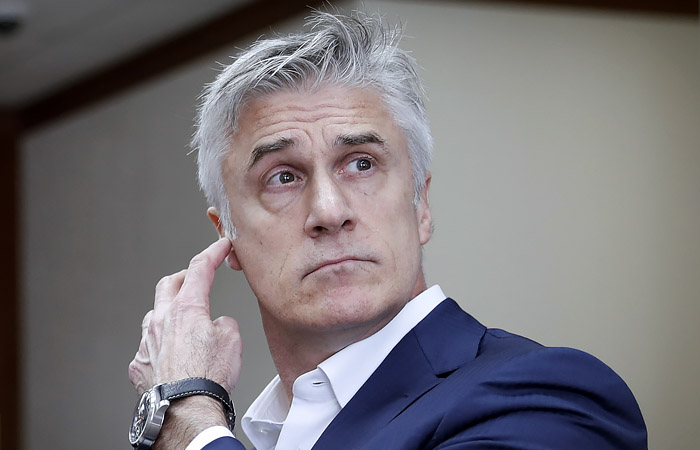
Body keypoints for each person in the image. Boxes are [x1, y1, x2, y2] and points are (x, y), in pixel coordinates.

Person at [127, 10, 647, 450]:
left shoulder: (545, 397)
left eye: (361, 164)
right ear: (228, 236)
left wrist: (188, 420)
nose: (329, 210)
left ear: (421, 204)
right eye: (283, 177)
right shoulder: (258, 434)